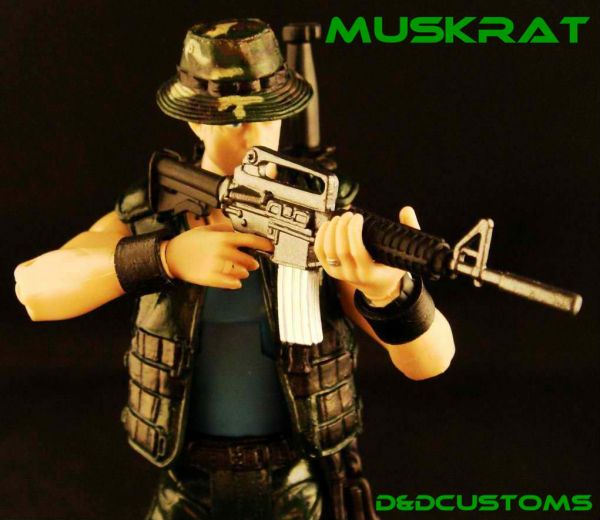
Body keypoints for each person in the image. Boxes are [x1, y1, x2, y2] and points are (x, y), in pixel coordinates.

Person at [14, 19, 455, 520]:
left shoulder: (323, 221)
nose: (249, 136)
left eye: (264, 117)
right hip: (187, 484)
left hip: (292, 481)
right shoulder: (156, 213)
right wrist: (165, 257)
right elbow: (34, 289)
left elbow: (431, 361)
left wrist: (390, 292)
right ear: (194, 121)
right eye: (227, 120)